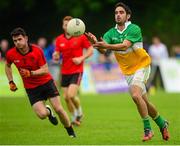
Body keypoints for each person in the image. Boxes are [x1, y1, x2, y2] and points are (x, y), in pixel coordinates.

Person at [86, 2, 170, 141]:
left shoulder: (134, 29)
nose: (118, 15)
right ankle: (162, 123)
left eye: (121, 12)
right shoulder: (110, 33)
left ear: (128, 15)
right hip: (128, 72)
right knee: (144, 103)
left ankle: (148, 130)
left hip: (142, 66)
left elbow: (125, 46)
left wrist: (106, 45)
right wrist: (94, 43)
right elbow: (103, 49)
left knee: (135, 95)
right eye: (116, 13)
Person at [5, 27, 76, 137]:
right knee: (42, 115)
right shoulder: (11, 54)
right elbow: (7, 66)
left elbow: (45, 70)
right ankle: (48, 111)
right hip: (31, 88)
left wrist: (30, 73)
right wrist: (10, 81)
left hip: (46, 83)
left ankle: (71, 132)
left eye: (19, 39)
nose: (17, 43)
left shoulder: (37, 50)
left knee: (59, 109)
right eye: (15, 41)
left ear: (26, 38)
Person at [53, 16, 93, 126]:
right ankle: (74, 117)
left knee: (71, 95)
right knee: (66, 98)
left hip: (77, 70)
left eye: (68, 24)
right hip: (65, 71)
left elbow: (90, 50)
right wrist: (56, 55)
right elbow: (57, 53)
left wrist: (81, 58)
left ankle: (79, 112)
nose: (66, 27)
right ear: (62, 26)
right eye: (64, 25)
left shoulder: (80, 37)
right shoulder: (59, 39)